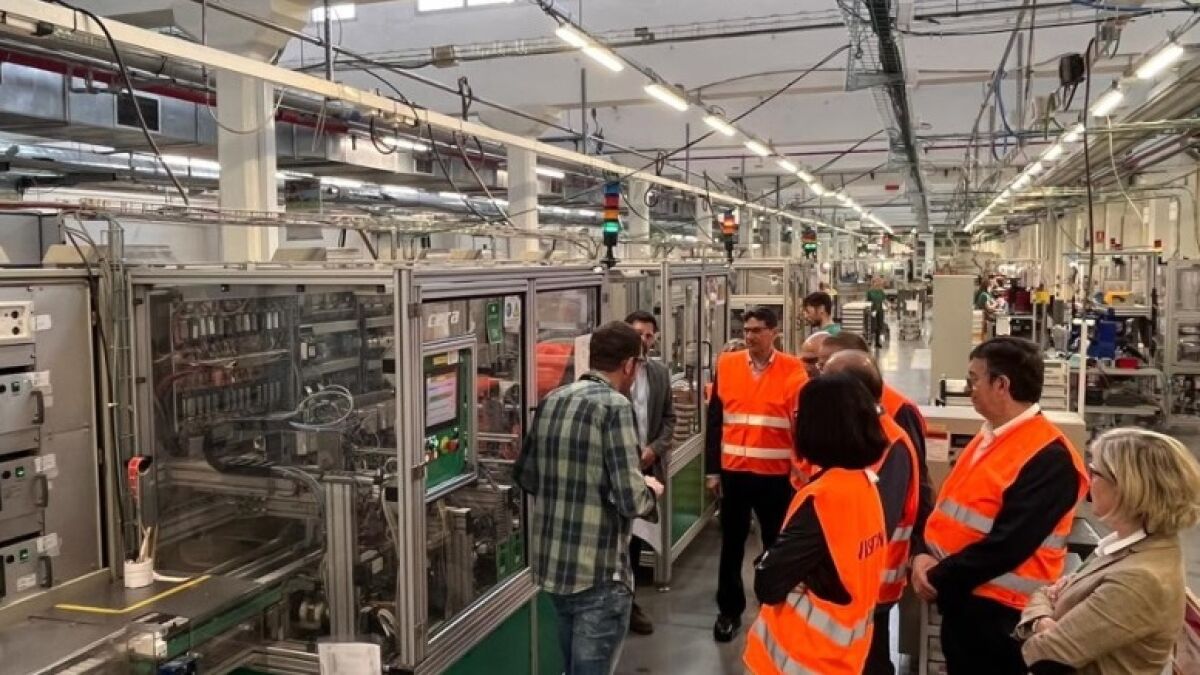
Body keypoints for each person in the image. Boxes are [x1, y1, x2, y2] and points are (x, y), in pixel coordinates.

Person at [911, 337, 1088, 675]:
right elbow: (948, 512)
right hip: (965, 602)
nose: (969, 389)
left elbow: (1008, 546)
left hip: (1002, 618)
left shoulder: (1050, 458)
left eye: (974, 379)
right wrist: (921, 553)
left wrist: (935, 577)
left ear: (1002, 384)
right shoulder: (991, 436)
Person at [515, 321, 665, 675]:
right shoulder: (616, 408)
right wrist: (650, 491)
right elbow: (630, 500)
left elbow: (527, 477)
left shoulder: (553, 399)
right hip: (598, 573)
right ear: (628, 365)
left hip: (554, 567)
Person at [1017, 428, 1200, 675]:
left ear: (1127, 487)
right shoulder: (1129, 546)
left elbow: (1044, 654)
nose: (1088, 479)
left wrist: (1038, 618)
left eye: (1095, 472)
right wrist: (1046, 618)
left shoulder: (1138, 578)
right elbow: (1047, 592)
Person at [743, 374, 888, 675]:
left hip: (797, 660)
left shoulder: (823, 498)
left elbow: (768, 584)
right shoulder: (865, 486)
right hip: (844, 659)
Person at [704, 306, 808, 642]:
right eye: (746, 330)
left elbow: (801, 426)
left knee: (775, 544)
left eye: (757, 330)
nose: (749, 336)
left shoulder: (794, 370)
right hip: (734, 473)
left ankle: (773, 606)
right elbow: (715, 422)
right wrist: (712, 471)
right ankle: (728, 611)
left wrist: (803, 474)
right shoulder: (728, 364)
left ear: (774, 332)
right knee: (731, 545)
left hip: (776, 476)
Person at [822, 351, 921, 675]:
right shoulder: (856, 435)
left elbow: (876, 524)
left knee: (871, 661)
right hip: (850, 584)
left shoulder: (889, 445)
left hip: (871, 585)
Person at [624, 310, 678, 636]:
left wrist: (654, 449)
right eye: (638, 335)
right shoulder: (615, 372)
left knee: (636, 539)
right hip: (620, 466)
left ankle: (630, 604)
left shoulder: (659, 373)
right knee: (619, 539)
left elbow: (669, 418)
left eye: (648, 335)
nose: (644, 341)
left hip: (647, 466)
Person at [867, 277, 888, 348]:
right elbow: (867, 301)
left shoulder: (881, 291)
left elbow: (884, 300)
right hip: (873, 310)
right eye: (877, 282)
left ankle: (877, 342)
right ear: (873, 283)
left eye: (879, 282)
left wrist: (888, 305)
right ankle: (869, 341)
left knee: (879, 326)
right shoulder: (870, 292)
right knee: (872, 326)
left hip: (880, 310)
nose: (879, 284)